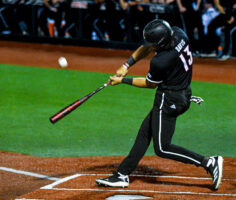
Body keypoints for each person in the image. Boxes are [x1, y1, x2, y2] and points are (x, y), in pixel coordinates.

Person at [95, 19, 223, 190]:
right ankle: (122, 174)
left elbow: (150, 84)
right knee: (144, 134)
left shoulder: (161, 61)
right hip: (183, 92)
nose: (150, 46)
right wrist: (127, 65)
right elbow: (147, 47)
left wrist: (122, 80)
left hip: (170, 100)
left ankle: (208, 162)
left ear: (161, 42)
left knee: (162, 148)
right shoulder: (178, 34)